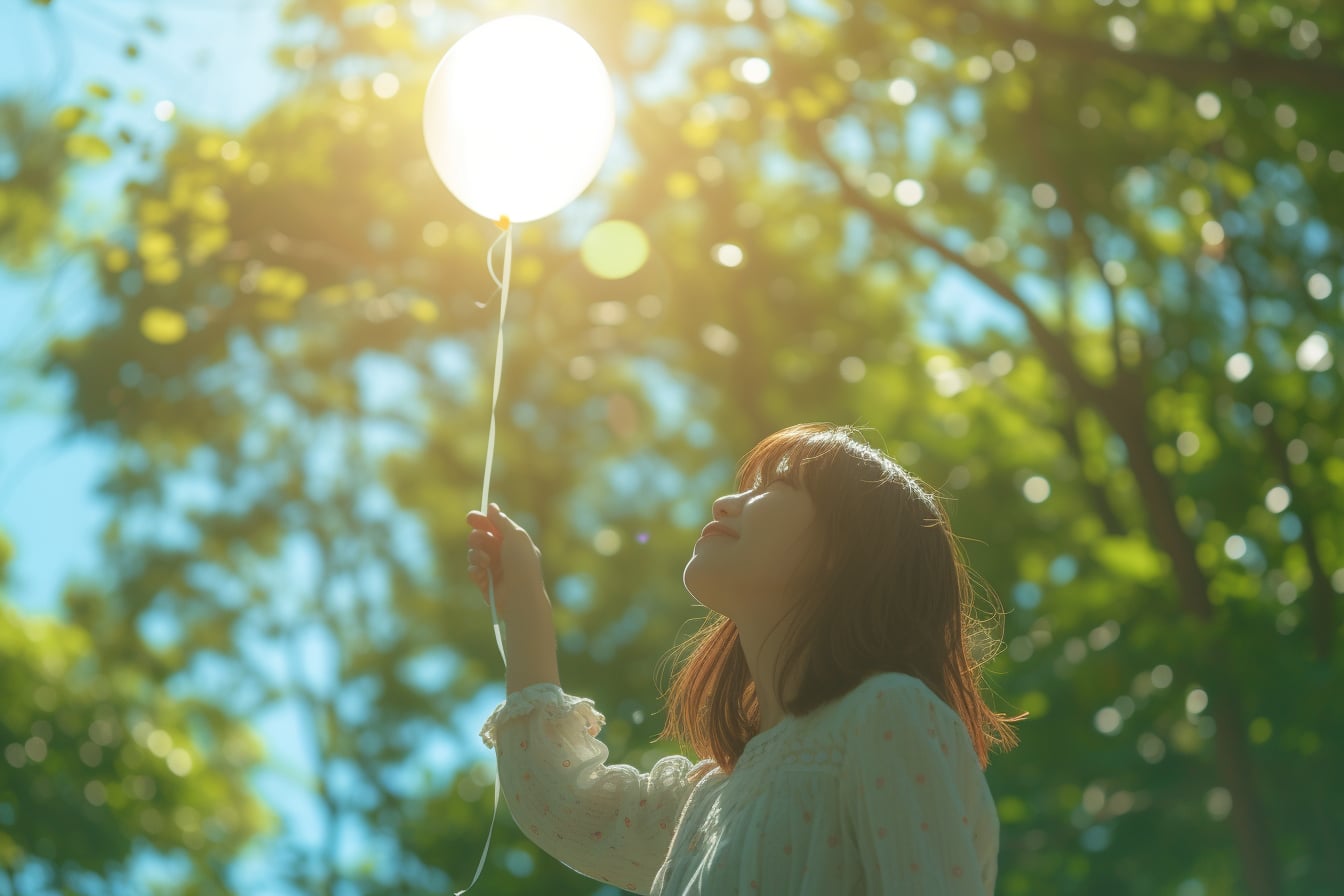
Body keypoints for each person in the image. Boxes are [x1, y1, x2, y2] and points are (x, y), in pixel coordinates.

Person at [465, 422, 1026, 894]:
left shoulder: (887, 715)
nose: (725, 501)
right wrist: (524, 614)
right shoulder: (709, 798)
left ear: (845, 550)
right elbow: (564, 808)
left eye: (775, 485)